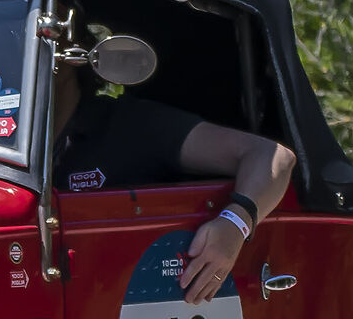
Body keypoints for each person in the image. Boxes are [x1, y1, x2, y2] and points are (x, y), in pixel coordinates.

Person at [50, 63, 296, 305]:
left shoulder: (131, 125)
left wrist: (235, 225)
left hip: (127, 304)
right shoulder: (10, 141)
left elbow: (273, 157)